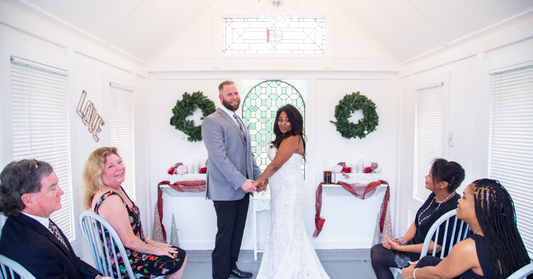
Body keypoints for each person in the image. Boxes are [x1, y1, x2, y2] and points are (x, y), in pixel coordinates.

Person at [83, 147, 187, 279]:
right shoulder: (110, 199)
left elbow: (131, 233)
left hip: (130, 253)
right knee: (179, 257)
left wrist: (151, 242)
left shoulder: (116, 189)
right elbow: (129, 242)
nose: (119, 168)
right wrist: (156, 250)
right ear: (98, 173)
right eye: (110, 166)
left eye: (119, 162)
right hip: (126, 263)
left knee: (175, 252)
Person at [252, 104, 331, 279]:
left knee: (287, 229)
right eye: (280, 119)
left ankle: (287, 271)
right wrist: (265, 181)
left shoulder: (294, 138)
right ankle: (278, 265)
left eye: (287, 119)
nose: (283, 123)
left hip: (290, 191)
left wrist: (257, 182)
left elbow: (276, 164)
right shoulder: (282, 139)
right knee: (280, 229)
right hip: (279, 190)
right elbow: (278, 166)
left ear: (295, 121)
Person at [0, 159, 111, 279]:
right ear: (28, 200)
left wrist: (97, 277)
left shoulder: (24, 221)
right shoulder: (35, 250)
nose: (61, 192)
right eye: (52, 188)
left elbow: (71, 260)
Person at [402, 179, 532, 279]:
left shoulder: (470, 247)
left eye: (464, 197)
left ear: (480, 207)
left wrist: (411, 273)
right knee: (427, 261)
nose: (459, 201)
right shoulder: (504, 238)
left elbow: (438, 275)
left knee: (420, 269)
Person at [201, 80, 263, 279]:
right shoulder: (212, 121)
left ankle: (231, 267)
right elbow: (220, 158)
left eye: (236, 93)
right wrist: (241, 182)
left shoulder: (239, 120)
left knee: (237, 233)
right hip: (225, 189)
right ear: (220, 97)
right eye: (229, 94)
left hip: (243, 188)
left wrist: (259, 178)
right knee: (225, 235)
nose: (234, 97)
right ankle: (220, 275)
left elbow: (247, 155)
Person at [371, 158, 465, 279]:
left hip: (428, 257)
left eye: (430, 176)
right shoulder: (434, 197)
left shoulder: (452, 209)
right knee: (376, 249)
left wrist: (400, 248)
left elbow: (435, 247)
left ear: (443, 184)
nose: (426, 177)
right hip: (415, 246)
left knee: (379, 257)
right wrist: (402, 241)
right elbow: (417, 221)